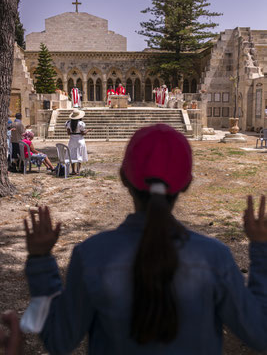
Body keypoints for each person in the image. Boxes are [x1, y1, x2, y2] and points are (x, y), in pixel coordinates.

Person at [22, 124, 267, 355]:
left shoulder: (91, 256)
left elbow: (59, 340)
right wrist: (262, 250)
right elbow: (259, 332)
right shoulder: (215, 257)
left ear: (123, 178)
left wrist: (41, 261)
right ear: (187, 182)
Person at [65, 109, 88, 175]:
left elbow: (68, 133)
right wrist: (87, 131)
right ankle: (78, 170)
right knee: (79, 155)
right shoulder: (81, 124)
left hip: (72, 140)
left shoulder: (68, 123)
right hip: (80, 140)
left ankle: (73, 170)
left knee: (72, 154)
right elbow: (82, 133)